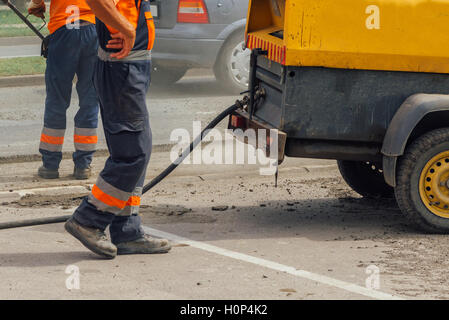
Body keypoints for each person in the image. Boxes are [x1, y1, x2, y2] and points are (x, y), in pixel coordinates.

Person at [63, 0, 171, 259]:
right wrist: (127, 28)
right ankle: (88, 219)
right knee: (133, 153)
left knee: (137, 150)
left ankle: (127, 232)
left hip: (130, 68)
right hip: (121, 70)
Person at [28, 0, 100, 180]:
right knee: (90, 101)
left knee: (56, 101)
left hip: (63, 31)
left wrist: (37, 4)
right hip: (93, 30)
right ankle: (83, 165)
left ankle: (50, 165)